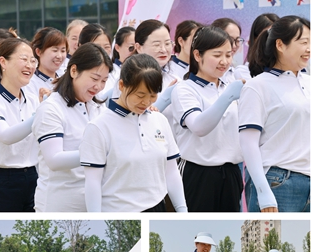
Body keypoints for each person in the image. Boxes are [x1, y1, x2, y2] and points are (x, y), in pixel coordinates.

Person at [81, 53, 187, 212]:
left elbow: (171, 171)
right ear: (122, 86)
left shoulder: (159, 120)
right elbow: (92, 183)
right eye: (140, 95)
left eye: (152, 96)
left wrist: (182, 210)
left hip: (157, 208)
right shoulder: (99, 127)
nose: (146, 102)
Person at [239, 15, 310, 213]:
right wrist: (263, 191)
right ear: (280, 44)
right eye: (304, 42)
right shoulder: (258, 85)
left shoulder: (308, 83)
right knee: (269, 243)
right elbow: (248, 143)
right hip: (278, 182)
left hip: (308, 181)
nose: (309, 49)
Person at [171, 25, 244, 212]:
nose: (224, 61)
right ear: (197, 55)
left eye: (228, 55)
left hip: (231, 173)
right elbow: (199, 127)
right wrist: (228, 97)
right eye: (217, 55)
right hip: (198, 173)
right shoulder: (185, 88)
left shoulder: (228, 86)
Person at [32, 43, 110, 212]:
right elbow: (54, 160)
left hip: (96, 202)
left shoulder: (98, 107)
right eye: (94, 79)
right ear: (74, 71)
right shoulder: (51, 108)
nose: (98, 86)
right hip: (60, 205)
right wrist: (99, 153)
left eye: (104, 81)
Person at [0, 38, 39, 212]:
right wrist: (39, 116)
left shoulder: (33, 100)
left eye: (33, 60)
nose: (30, 65)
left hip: (32, 177)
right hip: (0, 182)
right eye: (24, 59)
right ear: (3, 61)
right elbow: (6, 136)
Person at [26, 27, 67, 101]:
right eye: (55, 50)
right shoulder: (29, 83)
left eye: (63, 51)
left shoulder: (66, 78)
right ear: (38, 52)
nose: (59, 56)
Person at [235, 13, 279, 81]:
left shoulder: (292, 71)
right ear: (255, 39)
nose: (274, 42)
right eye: (268, 36)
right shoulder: (244, 71)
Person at [211, 17, 244, 83]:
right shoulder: (207, 73)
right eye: (230, 40)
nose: (234, 46)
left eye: (237, 40)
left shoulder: (236, 73)